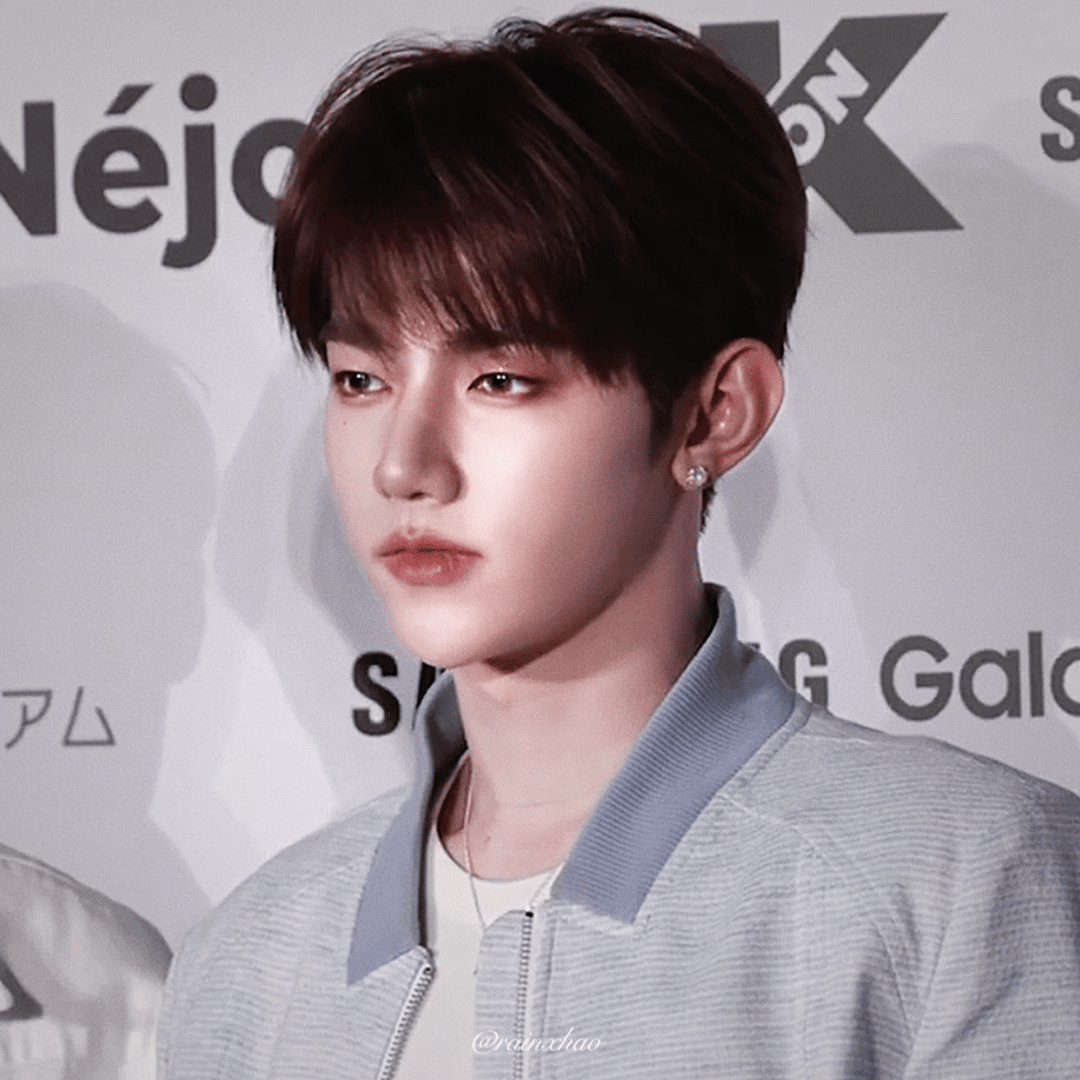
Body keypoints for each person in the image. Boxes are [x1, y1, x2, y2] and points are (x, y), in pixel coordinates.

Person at [157, 8, 1080, 1078]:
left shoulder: (963, 884)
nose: (404, 465)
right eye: (361, 379)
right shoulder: (248, 960)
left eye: (502, 380)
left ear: (715, 414)